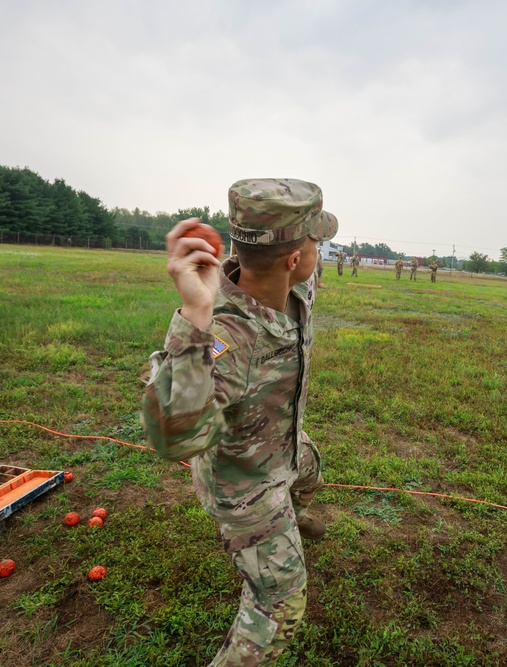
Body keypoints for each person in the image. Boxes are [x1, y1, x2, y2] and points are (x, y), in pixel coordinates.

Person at [141, 178, 338, 666]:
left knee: (312, 467)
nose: (322, 251)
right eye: (317, 242)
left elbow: (295, 266)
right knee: (280, 607)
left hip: (281, 446)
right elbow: (176, 440)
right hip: (244, 487)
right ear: (295, 258)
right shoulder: (227, 336)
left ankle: (294, 511)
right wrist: (195, 313)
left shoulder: (292, 286)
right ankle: (271, 534)